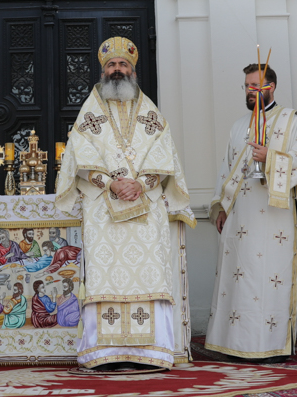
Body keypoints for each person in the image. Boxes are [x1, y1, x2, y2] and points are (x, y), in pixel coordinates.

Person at [55, 36, 193, 371]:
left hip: (146, 210)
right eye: (112, 65)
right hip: (104, 209)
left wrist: (141, 184)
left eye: (123, 65)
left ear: (133, 70)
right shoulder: (89, 115)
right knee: (106, 278)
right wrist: (111, 182)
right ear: (103, 71)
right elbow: (79, 157)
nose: (117, 70)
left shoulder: (152, 115)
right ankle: (103, 353)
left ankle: (152, 352)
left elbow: (166, 157)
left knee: (149, 276)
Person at [204, 64, 297, 363]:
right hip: (240, 217)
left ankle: (270, 346)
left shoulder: (293, 123)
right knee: (238, 280)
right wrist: (221, 208)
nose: (252, 92)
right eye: (247, 87)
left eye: (257, 86)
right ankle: (231, 344)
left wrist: (270, 159)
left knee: (268, 280)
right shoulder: (239, 125)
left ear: (272, 88)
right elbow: (226, 170)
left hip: (274, 220)